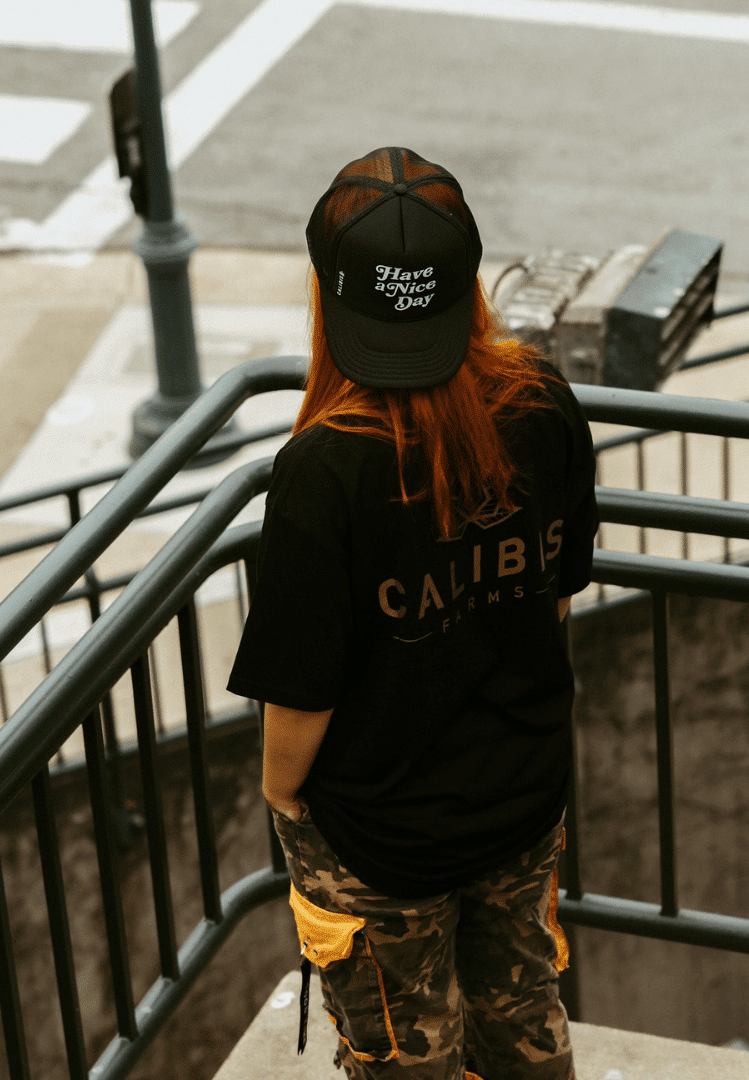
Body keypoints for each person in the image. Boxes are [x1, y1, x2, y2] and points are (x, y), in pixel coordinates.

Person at [227, 146, 598, 1080]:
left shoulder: (322, 469)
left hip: (377, 837)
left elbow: (299, 700)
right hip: (518, 794)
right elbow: (551, 597)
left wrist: (282, 800)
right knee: (524, 1014)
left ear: (330, 302)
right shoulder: (543, 402)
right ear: (467, 288)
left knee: (401, 1052)